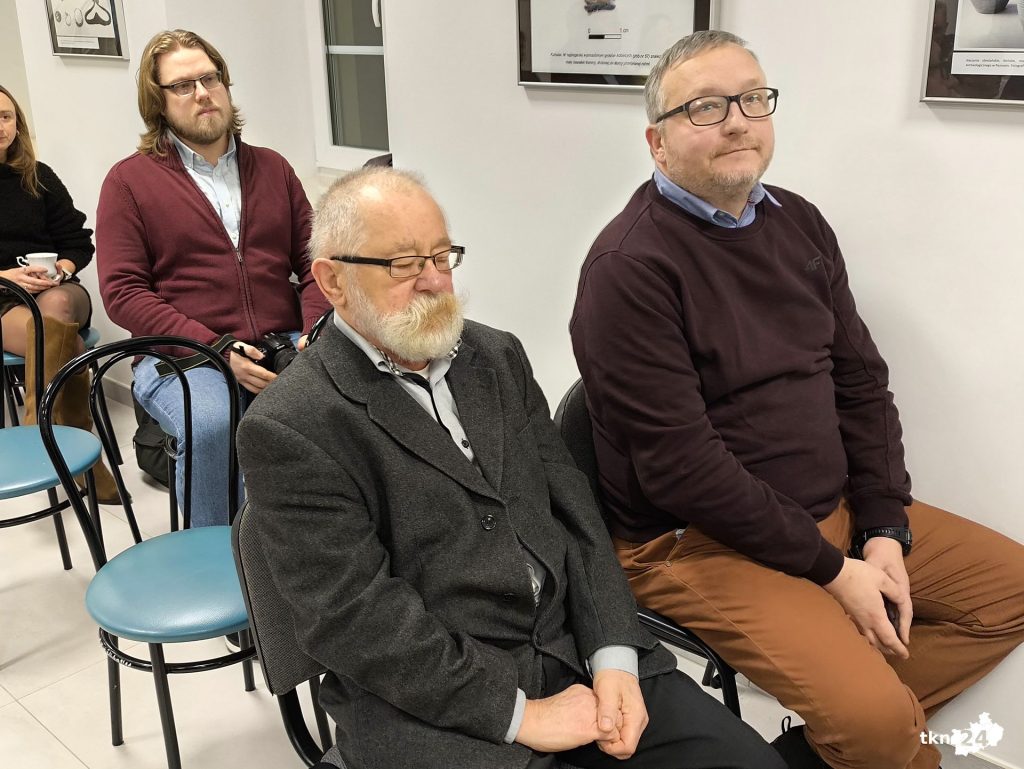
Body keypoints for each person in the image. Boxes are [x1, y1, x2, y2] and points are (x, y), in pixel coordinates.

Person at [570, 30, 1024, 769]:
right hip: (695, 542)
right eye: (706, 107)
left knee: (1008, 593)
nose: (738, 121)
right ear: (657, 142)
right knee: (881, 727)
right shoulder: (629, 269)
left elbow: (861, 382)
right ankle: (872, 733)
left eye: (753, 99)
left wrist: (882, 527)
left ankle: (838, 743)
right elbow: (684, 470)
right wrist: (835, 570)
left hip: (827, 511)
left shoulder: (798, 221)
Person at [235, 167, 785, 769]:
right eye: (403, 264)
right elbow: (355, 620)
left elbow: (574, 512)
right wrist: (523, 715)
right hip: (436, 702)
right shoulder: (291, 425)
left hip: (574, 648)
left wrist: (613, 655)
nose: (433, 281)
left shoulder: (495, 356)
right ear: (332, 281)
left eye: (442, 256)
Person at [96, 30, 329, 527]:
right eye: (183, 86)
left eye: (210, 78)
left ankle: (307, 550)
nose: (202, 93)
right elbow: (122, 292)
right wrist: (216, 348)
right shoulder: (128, 182)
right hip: (184, 354)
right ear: (158, 102)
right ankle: (217, 558)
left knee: (340, 407)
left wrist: (313, 331)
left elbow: (317, 263)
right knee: (212, 424)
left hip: (283, 340)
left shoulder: (274, 168)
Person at [0, 83, 120, 503]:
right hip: (2, 298)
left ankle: (39, 430)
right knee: (61, 340)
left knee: (56, 308)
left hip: (57, 291)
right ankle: (83, 458)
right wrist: (8, 277)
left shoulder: (39, 176)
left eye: (6, 116)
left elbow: (78, 241)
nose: (0, 126)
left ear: (17, 124)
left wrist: (61, 270)